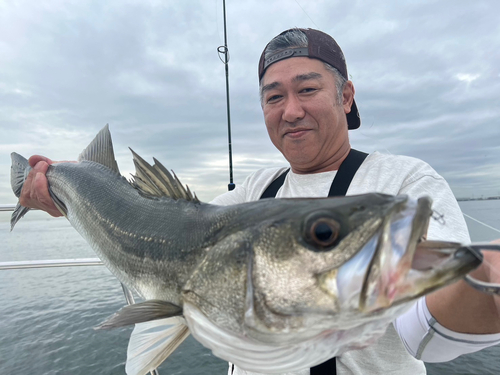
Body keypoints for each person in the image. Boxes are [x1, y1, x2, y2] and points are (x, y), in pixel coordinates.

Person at [20, 28, 500, 374]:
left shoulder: (405, 184)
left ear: (347, 95)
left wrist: (482, 279)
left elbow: (432, 329)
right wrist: (56, 191)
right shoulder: (250, 194)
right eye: (274, 97)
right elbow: (167, 228)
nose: (291, 110)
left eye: (308, 89)